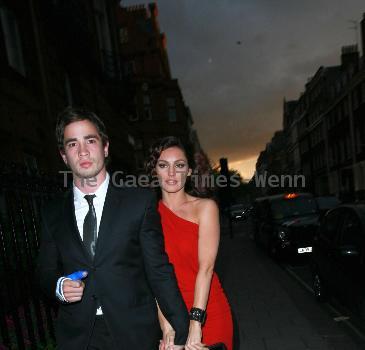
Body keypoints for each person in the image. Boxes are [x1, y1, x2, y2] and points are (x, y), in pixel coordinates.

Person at [36, 107, 189, 350]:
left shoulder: (139, 201)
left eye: (90, 140)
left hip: (134, 334)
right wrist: (58, 286)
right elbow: (44, 271)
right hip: (79, 338)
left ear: (105, 147)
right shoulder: (51, 212)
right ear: (64, 155)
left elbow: (158, 268)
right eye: (73, 144)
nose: (83, 151)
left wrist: (182, 329)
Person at [146, 136, 233, 350]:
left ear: (189, 171)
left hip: (208, 310)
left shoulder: (205, 208)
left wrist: (196, 323)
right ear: (154, 171)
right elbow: (153, 276)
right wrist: (167, 327)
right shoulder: (148, 216)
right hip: (170, 313)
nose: (172, 173)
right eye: (164, 165)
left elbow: (206, 268)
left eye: (180, 165)